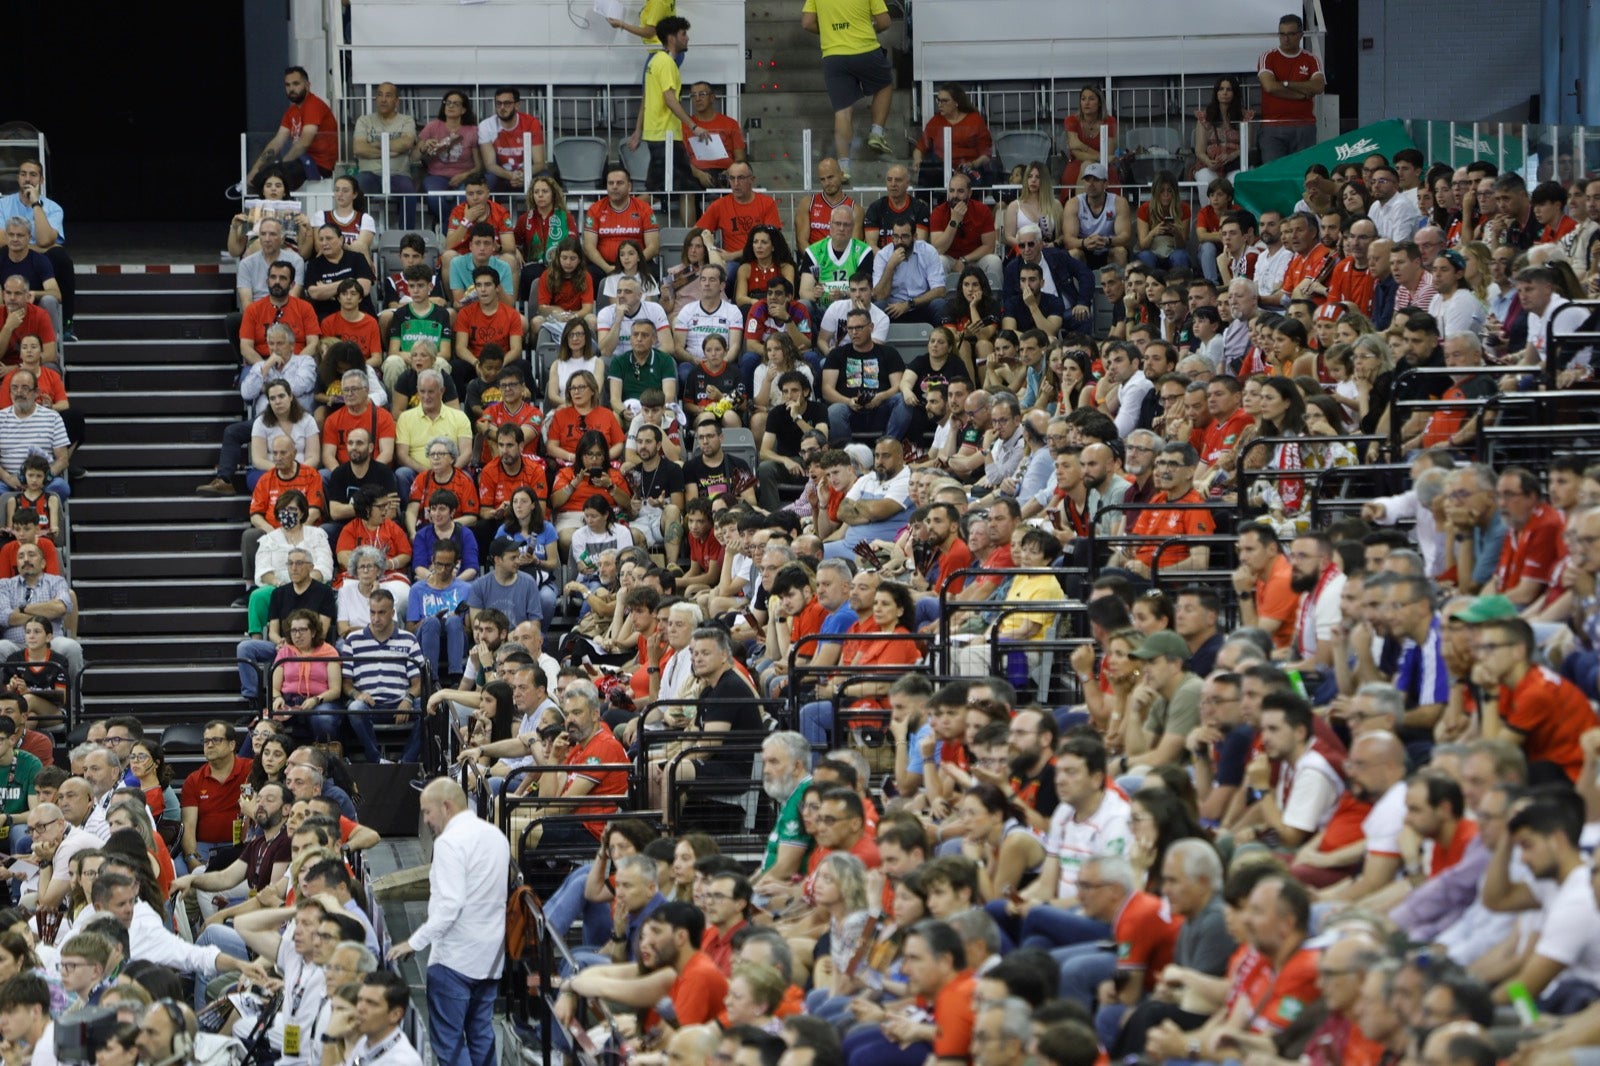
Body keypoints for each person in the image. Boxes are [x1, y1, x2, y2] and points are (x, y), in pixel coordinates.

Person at [388, 778, 508, 1066]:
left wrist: (414, 942)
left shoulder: (449, 843)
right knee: (481, 1035)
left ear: (446, 806)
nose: (426, 820)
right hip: (490, 958)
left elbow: (450, 905)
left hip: (455, 959)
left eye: (427, 812)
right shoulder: (496, 836)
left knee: (450, 1044)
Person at [800, 0, 894, 183]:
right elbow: (885, 22)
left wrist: (828, 31)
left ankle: (843, 167)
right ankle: (876, 131)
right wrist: (868, 27)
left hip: (833, 56)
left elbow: (807, 23)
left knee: (842, 111)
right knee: (885, 84)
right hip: (865, 49)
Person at [247, 66, 339, 190]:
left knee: (270, 179)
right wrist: (255, 168)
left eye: (296, 84)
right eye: (288, 85)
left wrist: (283, 164)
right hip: (300, 162)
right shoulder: (291, 112)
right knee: (258, 178)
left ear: (307, 85)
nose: (291, 89)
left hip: (319, 165)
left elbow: (304, 143)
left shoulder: (313, 105)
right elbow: (277, 142)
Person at [1256, 15, 1324, 161]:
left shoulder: (1311, 59)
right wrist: (1301, 94)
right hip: (1273, 127)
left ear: (1300, 35)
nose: (1286, 39)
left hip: (1304, 126)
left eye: (1291, 34)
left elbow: (1318, 86)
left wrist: (1286, 83)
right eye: (1282, 34)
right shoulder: (1268, 57)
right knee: (1274, 175)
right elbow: (1270, 87)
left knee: (1303, 173)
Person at [912, 83, 996, 187]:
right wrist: (917, 160)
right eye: (938, 100)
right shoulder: (935, 121)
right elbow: (920, 148)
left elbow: (986, 154)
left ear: (956, 102)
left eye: (945, 101)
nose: (940, 104)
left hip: (969, 168)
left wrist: (973, 164)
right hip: (941, 170)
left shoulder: (975, 120)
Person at [930, 171, 1001, 291]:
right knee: (939, 261)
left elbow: (989, 246)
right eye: (951, 191)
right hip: (949, 259)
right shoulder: (938, 212)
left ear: (970, 193)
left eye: (960, 191)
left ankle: (994, 302)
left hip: (974, 259)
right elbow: (938, 249)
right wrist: (954, 221)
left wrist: (964, 260)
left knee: (994, 261)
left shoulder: (982, 210)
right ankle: (940, 302)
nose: (955, 195)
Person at [352, 82, 419, 197]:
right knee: (357, 186)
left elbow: (407, 143)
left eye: (388, 95)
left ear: (396, 101)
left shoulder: (407, 120)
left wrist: (375, 144)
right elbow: (359, 148)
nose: (383, 100)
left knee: (408, 191)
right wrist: (393, 152)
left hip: (398, 174)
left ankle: (406, 216)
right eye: (379, 95)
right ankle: (362, 216)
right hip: (369, 174)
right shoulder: (364, 121)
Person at [477, 86, 549, 192]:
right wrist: (511, 176)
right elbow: (490, 164)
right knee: (487, 180)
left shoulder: (532, 123)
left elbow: (539, 163)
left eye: (507, 103)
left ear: (517, 105)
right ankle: (489, 209)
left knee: (546, 179)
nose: (502, 107)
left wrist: (523, 175)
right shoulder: (486, 125)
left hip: (527, 174)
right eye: (498, 103)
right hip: (500, 175)